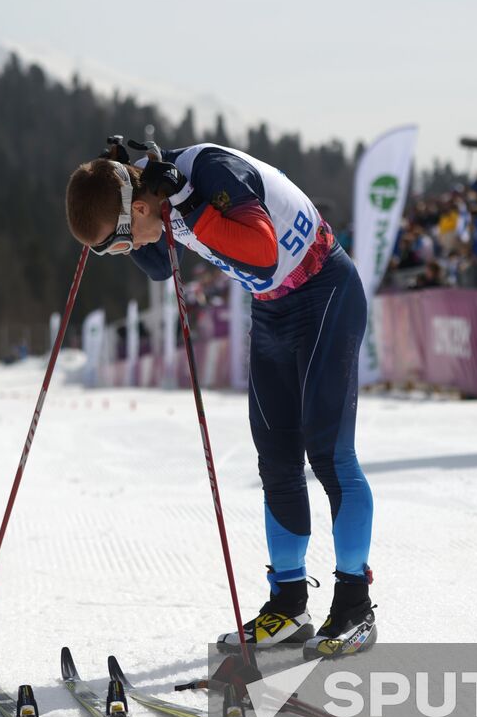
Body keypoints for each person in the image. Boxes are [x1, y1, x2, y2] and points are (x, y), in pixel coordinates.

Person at [66, 139, 377, 660]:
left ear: (139, 209)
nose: (120, 253)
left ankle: (354, 605)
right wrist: (131, 190)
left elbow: (261, 250)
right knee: (277, 460)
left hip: (326, 291)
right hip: (274, 308)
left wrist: (184, 203)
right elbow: (162, 266)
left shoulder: (208, 173)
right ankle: (289, 603)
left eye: (115, 243)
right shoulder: (153, 199)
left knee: (329, 453)